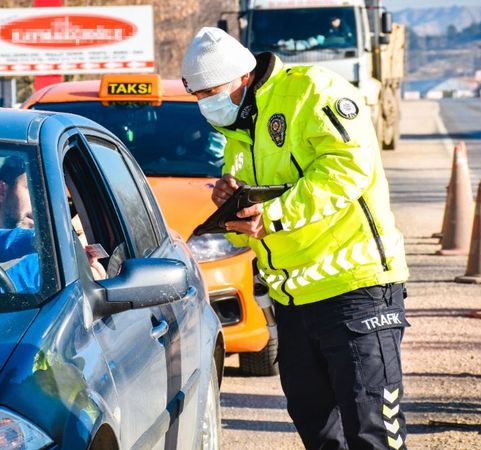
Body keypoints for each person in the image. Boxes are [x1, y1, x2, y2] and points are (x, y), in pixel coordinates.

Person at [182, 28, 410, 449]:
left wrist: (273, 216)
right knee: (317, 427)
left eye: (211, 92)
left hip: (355, 289)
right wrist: (234, 203)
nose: (205, 104)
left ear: (243, 77)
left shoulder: (313, 91)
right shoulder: (238, 132)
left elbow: (349, 167)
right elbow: (263, 208)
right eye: (198, 96)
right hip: (293, 301)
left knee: (371, 430)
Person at [0, 157, 105, 291]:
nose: (42, 203)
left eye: (47, 194)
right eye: (32, 188)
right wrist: (55, 243)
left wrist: (88, 271)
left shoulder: (56, 259)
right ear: (1, 191)